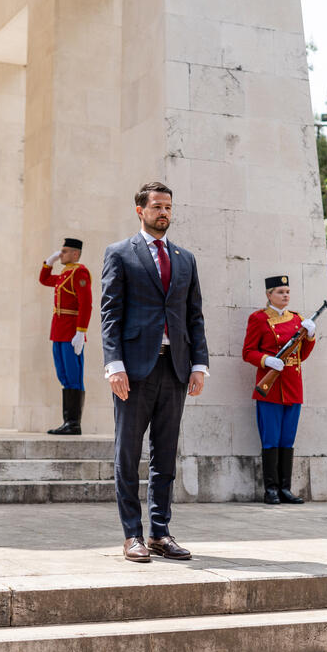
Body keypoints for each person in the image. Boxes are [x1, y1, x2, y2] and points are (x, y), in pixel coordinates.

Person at [101, 181, 208, 563]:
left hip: (175, 368)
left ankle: (160, 533)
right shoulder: (119, 254)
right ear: (140, 211)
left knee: (165, 455)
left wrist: (199, 364)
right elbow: (110, 314)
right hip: (134, 370)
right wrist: (114, 365)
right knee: (128, 453)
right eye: (157, 206)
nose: (164, 212)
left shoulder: (185, 258)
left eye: (168, 207)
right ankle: (132, 535)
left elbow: (193, 316)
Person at [242, 276, 316, 505]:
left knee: (287, 440)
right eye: (280, 292)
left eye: (287, 291)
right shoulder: (259, 319)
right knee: (271, 439)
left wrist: (311, 336)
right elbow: (248, 352)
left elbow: (301, 355)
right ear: (269, 294)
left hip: (293, 387)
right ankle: (271, 489)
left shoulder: (298, 320)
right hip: (271, 388)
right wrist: (266, 361)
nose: (285, 295)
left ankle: (285, 488)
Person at [39, 237, 92, 434]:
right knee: (63, 375)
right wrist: (49, 262)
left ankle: (74, 423)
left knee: (73, 375)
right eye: (61, 251)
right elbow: (44, 280)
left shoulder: (80, 273)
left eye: (65, 251)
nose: (61, 254)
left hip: (71, 333)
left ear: (75, 254)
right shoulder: (64, 274)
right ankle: (68, 422)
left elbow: (86, 304)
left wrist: (81, 332)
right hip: (59, 332)